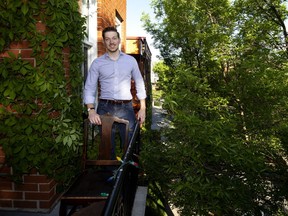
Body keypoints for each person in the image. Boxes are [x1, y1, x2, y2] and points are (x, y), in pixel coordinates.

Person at [83, 26, 146, 158]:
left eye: (114, 38)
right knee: (107, 148)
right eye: (107, 39)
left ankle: (128, 177)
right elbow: (89, 87)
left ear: (119, 40)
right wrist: (91, 110)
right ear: (104, 42)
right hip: (105, 107)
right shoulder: (97, 63)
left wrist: (143, 108)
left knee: (130, 146)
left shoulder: (130, 61)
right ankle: (109, 176)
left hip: (126, 108)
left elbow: (139, 83)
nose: (111, 42)